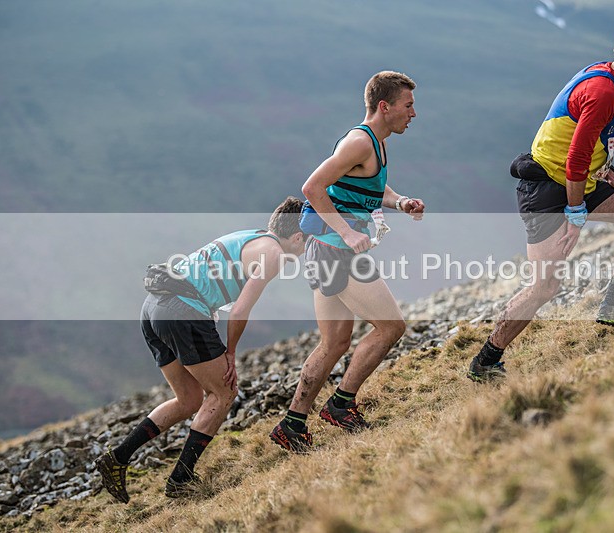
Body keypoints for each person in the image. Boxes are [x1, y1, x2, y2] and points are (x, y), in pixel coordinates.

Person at [468, 23, 614, 382]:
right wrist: (576, 215)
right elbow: (576, 157)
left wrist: (609, 172)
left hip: (579, 180)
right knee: (544, 286)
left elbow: (590, 140)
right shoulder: (603, 91)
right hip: (546, 188)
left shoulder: (608, 77)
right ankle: (485, 361)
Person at [96, 197, 306, 502]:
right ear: (297, 237)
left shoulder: (251, 236)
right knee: (224, 392)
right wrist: (230, 353)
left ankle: (117, 457)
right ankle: (181, 478)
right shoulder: (273, 253)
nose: (304, 249)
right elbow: (240, 311)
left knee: (190, 398)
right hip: (183, 311)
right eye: (307, 240)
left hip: (154, 306)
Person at [269, 71, 425, 452]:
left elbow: (368, 185)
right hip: (334, 249)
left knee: (335, 342)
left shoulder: (375, 143)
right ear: (385, 107)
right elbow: (312, 188)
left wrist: (399, 201)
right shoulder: (359, 142)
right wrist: (348, 233)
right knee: (391, 327)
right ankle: (341, 404)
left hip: (325, 249)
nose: (414, 113)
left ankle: (292, 424)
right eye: (408, 105)